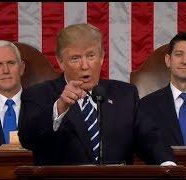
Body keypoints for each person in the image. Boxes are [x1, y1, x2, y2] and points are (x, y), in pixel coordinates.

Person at [18, 23, 175, 165]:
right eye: (75, 58)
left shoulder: (125, 95)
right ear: (60, 62)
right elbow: (28, 138)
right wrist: (60, 107)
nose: (85, 65)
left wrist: (169, 166)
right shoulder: (38, 95)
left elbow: (150, 138)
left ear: (101, 58)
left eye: (91, 56)